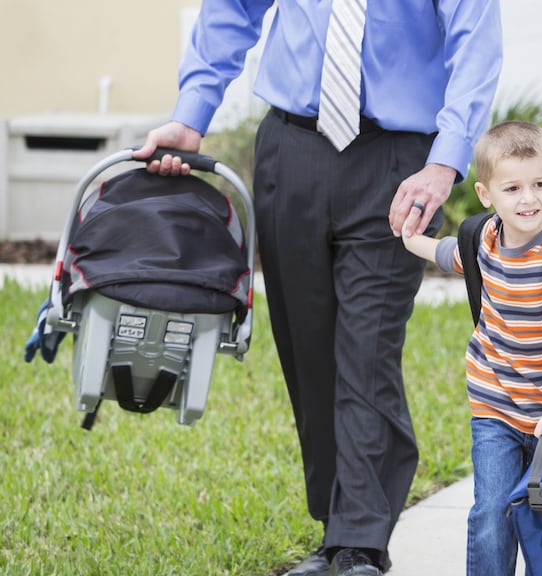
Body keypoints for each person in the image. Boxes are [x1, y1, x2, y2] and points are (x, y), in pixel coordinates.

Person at [132, 2, 502, 575]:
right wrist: (193, 112)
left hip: (401, 162)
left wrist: (445, 162)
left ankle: (359, 542)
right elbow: (232, 9)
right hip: (291, 148)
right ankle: (338, 529)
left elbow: (475, 44)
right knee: (308, 353)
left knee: (367, 351)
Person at [401, 121, 542, 576]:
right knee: (492, 515)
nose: (528, 199)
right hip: (495, 407)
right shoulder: (481, 241)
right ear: (486, 194)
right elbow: (446, 252)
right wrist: (411, 236)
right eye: (512, 188)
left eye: (539, 185)